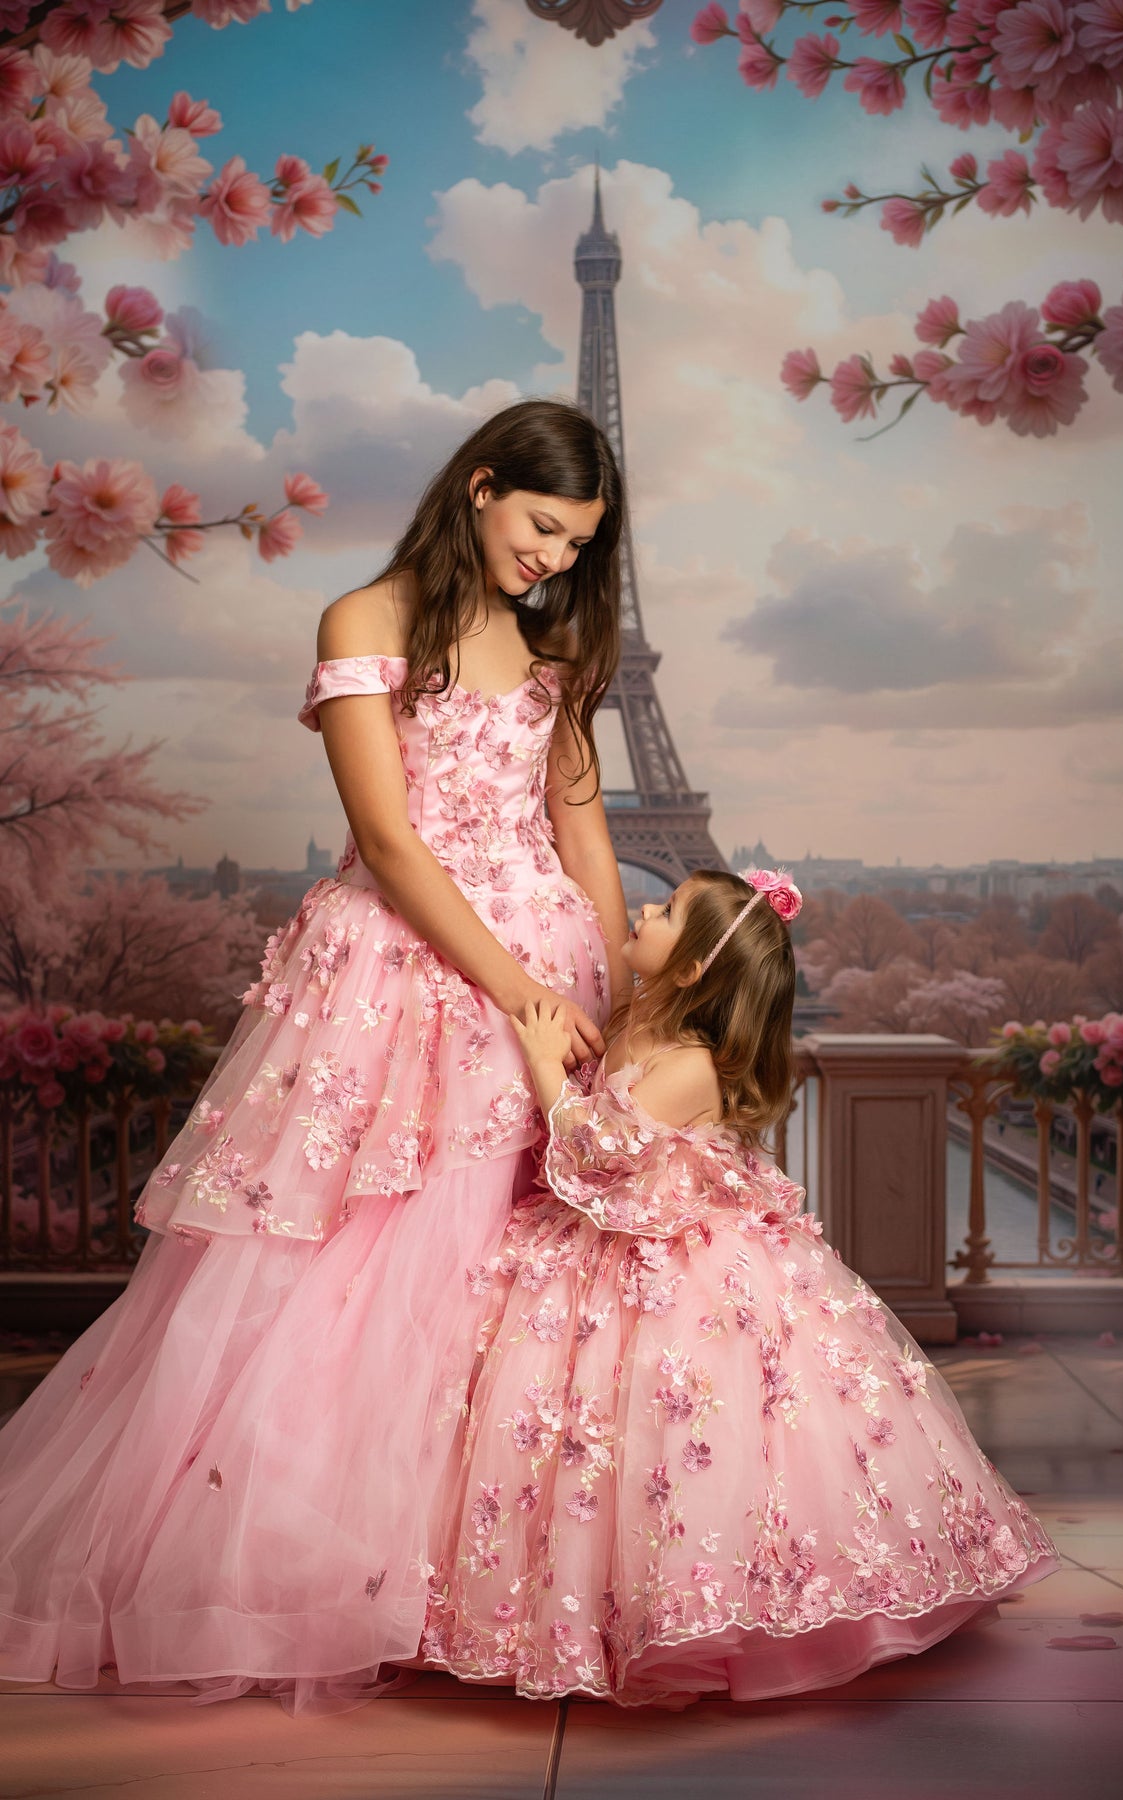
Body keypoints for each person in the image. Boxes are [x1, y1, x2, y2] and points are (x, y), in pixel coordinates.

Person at [0, 398, 630, 1714]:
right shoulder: (364, 621)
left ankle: (478, 1580)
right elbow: (388, 842)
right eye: (541, 527)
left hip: (547, 977)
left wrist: (618, 993)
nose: (554, 560)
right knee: (360, 1270)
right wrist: (514, 987)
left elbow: (585, 836)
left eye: (577, 544)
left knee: (510, 1272)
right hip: (409, 971)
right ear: (479, 486)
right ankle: (336, 1576)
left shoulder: (551, 646)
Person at [424, 867, 1061, 1705]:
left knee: (686, 1421)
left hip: (677, 1261)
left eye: (666, 911)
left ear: (693, 967)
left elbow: (597, 1151)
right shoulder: (636, 1018)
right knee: (571, 1427)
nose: (643, 907)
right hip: (604, 1239)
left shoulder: (693, 1061)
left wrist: (545, 1064)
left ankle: (704, 1601)